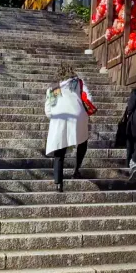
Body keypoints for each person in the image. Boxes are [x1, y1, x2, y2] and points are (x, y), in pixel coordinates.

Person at [44, 62, 90, 192]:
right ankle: (76, 170)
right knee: (83, 141)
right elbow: (88, 97)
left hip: (61, 116)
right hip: (78, 115)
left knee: (60, 149)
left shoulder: (55, 87)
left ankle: (58, 182)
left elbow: (49, 108)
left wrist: (53, 116)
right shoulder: (78, 83)